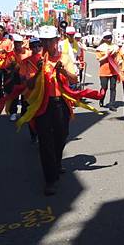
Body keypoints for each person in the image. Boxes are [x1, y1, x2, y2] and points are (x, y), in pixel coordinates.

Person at [25, 26, 78, 195]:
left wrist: (63, 70)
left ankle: (56, 162)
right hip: (42, 104)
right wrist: (38, 71)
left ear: (57, 40)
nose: (48, 44)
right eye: (44, 41)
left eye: (51, 40)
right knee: (45, 141)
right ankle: (50, 179)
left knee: (61, 136)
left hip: (61, 103)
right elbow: (29, 85)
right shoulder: (34, 60)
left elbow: (74, 78)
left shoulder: (65, 57)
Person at [18, 37, 43, 144]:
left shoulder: (46, 59)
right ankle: (34, 134)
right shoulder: (26, 62)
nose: (37, 48)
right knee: (31, 115)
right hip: (30, 93)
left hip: (44, 91)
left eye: (39, 46)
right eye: (34, 46)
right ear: (31, 48)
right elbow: (22, 78)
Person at [95, 30, 120, 111]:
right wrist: (106, 55)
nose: (109, 39)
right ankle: (101, 99)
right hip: (104, 71)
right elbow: (99, 59)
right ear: (104, 39)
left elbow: (118, 57)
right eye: (107, 37)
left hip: (113, 70)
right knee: (104, 87)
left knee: (113, 88)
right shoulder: (100, 48)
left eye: (110, 37)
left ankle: (112, 104)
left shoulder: (115, 47)